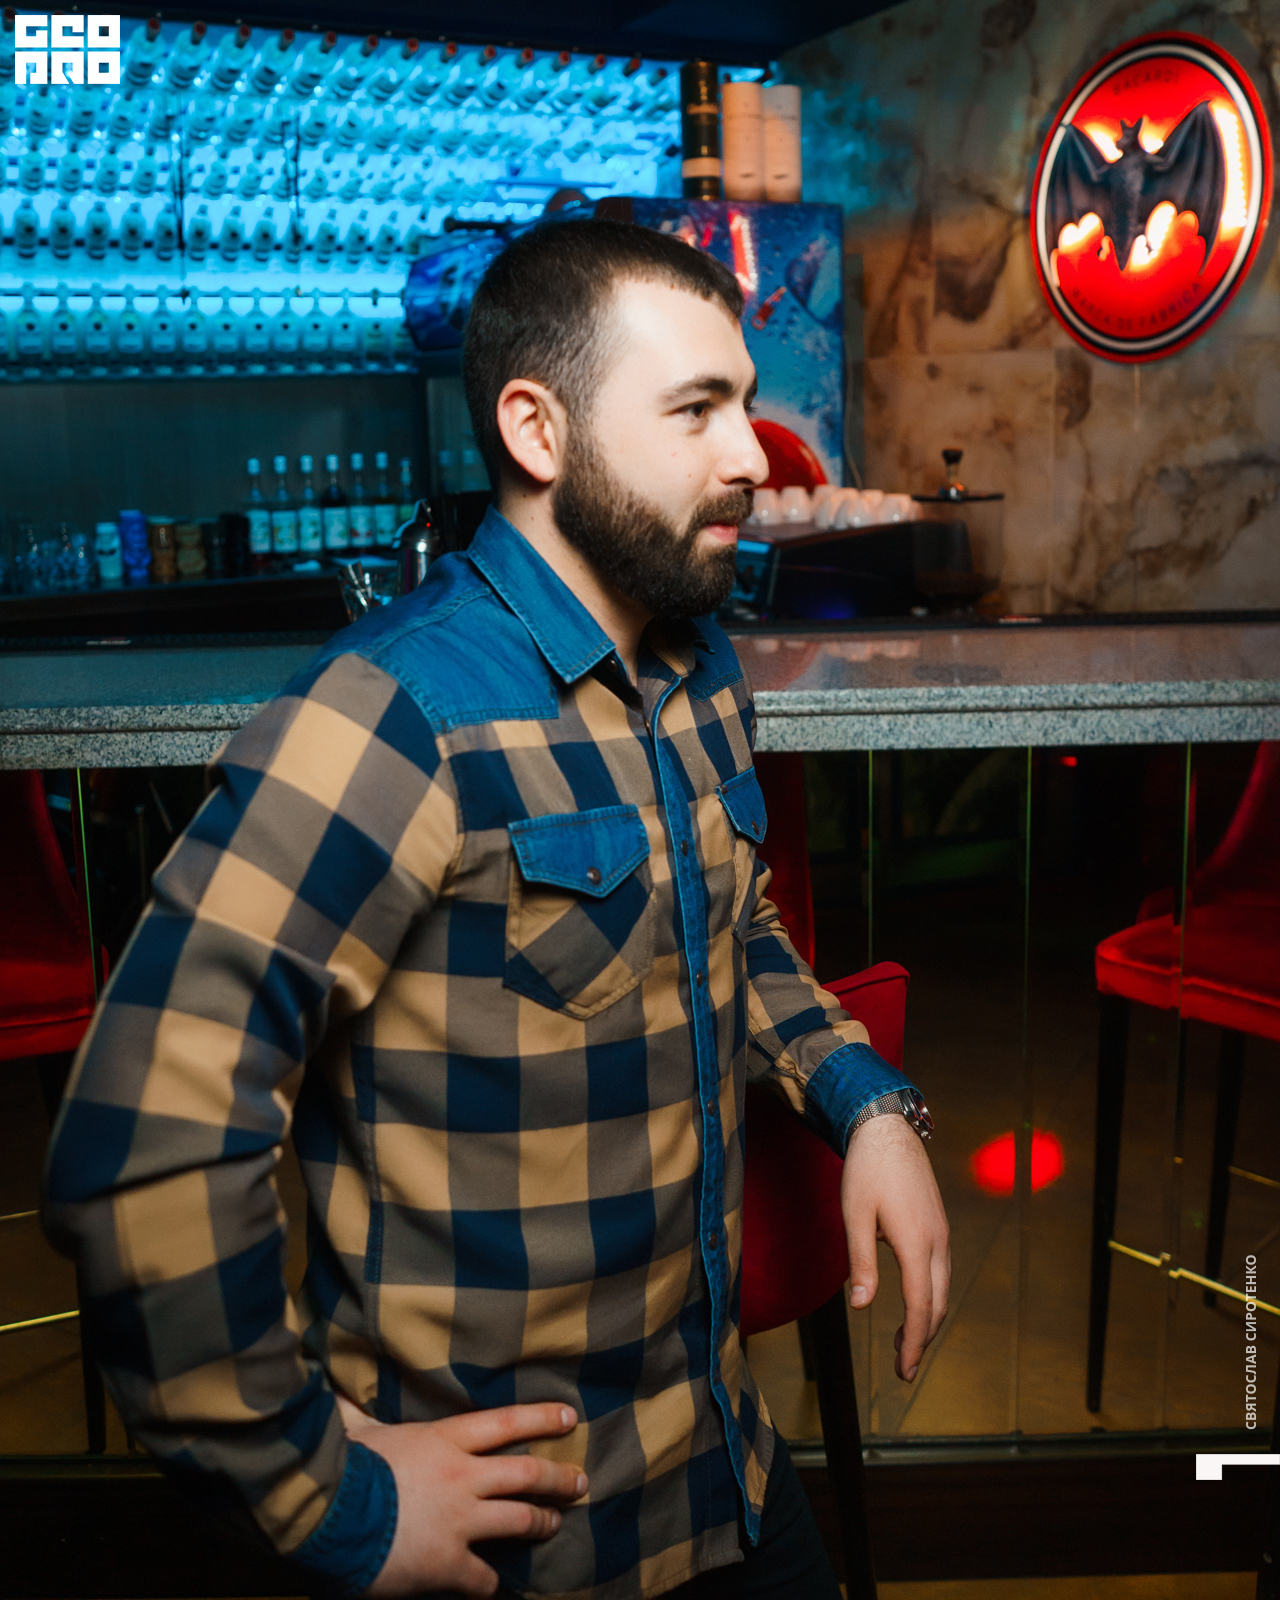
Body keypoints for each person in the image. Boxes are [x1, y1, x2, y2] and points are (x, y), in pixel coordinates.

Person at [44, 219, 950, 1600]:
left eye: (746, 402)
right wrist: (324, 1499)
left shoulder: (700, 670)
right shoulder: (394, 714)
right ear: (538, 430)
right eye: (696, 409)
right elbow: (141, 1138)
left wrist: (865, 1103)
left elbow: (733, 924)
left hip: (725, 1471)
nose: (752, 457)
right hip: (526, 1542)